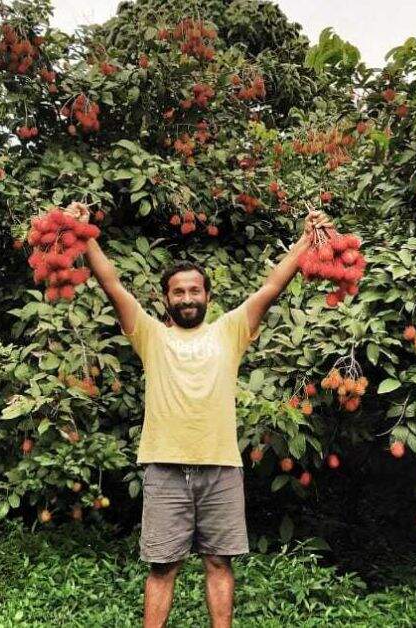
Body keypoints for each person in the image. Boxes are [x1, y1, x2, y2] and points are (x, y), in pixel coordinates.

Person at [76, 202, 331, 628]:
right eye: (179, 291)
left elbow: (272, 286)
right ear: (166, 298)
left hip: (221, 469)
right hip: (166, 469)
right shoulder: (149, 334)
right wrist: (82, 233)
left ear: (208, 297)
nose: (188, 298)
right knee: (162, 567)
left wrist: (308, 239)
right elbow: (111, 283)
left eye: (195, 291)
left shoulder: (230, 331)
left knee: (219, 563)